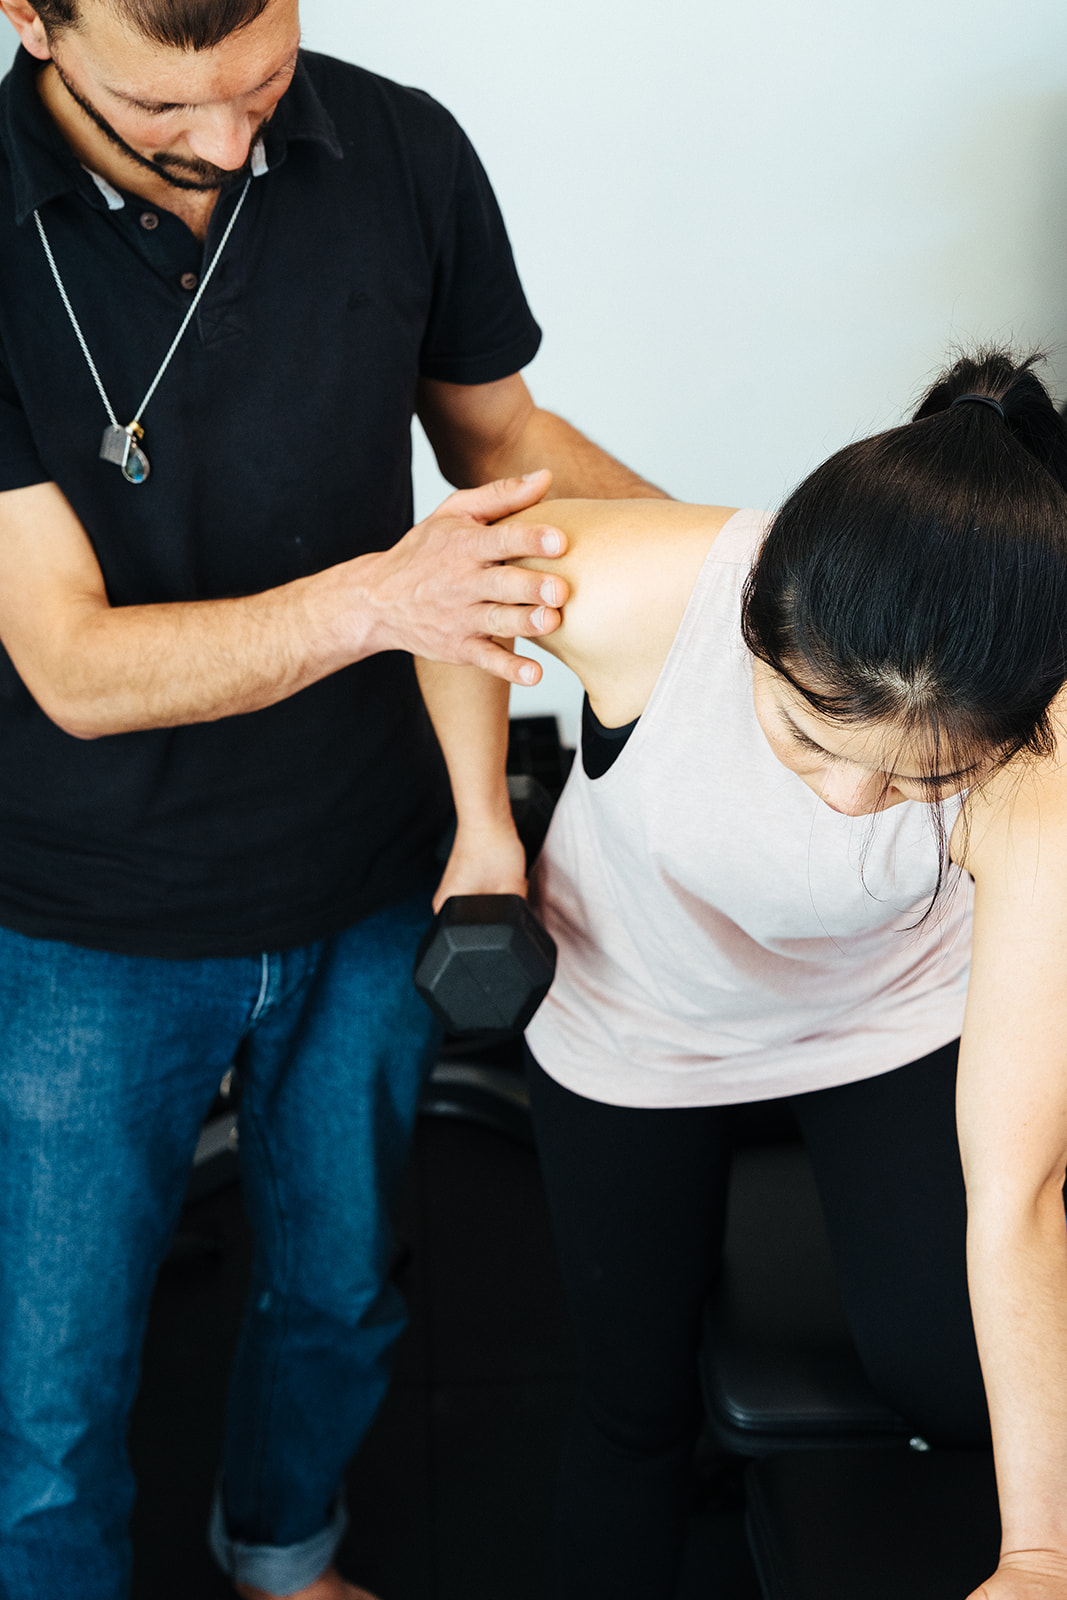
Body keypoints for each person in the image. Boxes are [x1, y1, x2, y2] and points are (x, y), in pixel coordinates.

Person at [0, 0, 668, 1595]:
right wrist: (384, 599)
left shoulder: (396, 146)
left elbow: (498, 439)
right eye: (170, 112)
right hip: (88, 912)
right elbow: (73, 667)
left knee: (342, 1290)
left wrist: (782, 573)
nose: (231, 148)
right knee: (52, 1393)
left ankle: (284, 1555)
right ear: (31, 20)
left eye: (263, 85)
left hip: (367, 868)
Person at [417, 349, 1067, 1600]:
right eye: (811, 734)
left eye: (917, 780)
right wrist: (479, 827)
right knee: (630, 1404)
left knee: (957, 1379)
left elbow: (1017, 1189)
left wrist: (1038, 1553)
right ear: (758, 621)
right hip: (634, 1011)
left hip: (884, 1008)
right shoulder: (656, 587)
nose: (848, 797)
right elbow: (451, 583)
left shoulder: (1037, 761)